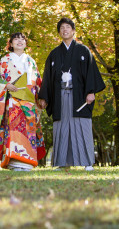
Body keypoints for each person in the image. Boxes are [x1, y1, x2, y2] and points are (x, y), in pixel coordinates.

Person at [38, 18, 105, 171]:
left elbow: (91, 72)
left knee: (82, 126)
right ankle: (62, 162)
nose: (65, 30)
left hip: (80, 96)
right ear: (59, 32)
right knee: (61, 127)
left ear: (74, 31)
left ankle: (88, 162)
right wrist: (44, 97)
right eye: (62, 28)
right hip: (60, 97)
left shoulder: (83, 51)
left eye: (68, 27)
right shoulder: (54, 54)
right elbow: (47, 76)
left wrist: (91, 92)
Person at [0, 32, 46, 171]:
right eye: (16, 39)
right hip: (13, 101)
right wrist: (6, 85)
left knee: (29, 129)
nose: (20, 41)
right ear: (10, 43)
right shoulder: (5, 60)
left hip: (29, 101)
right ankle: (14, 161)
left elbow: (38, 81)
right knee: (14, 129)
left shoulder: (31, 61)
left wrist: (42, 98)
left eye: (22, 39)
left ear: (26, 43)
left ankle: (28, 161)